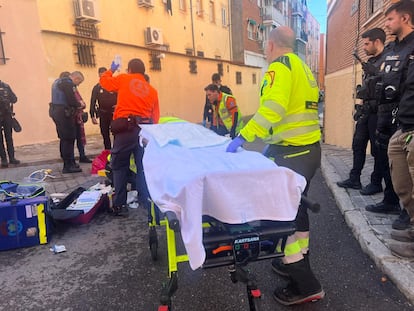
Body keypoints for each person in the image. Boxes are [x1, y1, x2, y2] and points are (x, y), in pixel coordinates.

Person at [226, 26, 323, 305]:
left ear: (270, 46)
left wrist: (243, 137)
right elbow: (294, 110)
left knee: (281, 217)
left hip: (291, 155)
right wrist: (272, 142)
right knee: (298, 209)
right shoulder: (302, 67)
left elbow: (273, 108)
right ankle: (296, 261)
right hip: (306, 150)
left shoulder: (278, 68)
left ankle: (305, 284)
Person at [100, 58, 159, 216]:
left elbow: (104, 82)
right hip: (144, 132)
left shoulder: (125, 79)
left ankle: (120, 205)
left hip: (125, 130)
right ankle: (144, 198)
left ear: (130, 69)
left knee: (119, 167)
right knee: (142, 166)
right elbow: (156, 117)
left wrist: (111, 69)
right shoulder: (152, 90)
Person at [337, 28, 386, 196]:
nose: (364, 47)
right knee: (358, 145)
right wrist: (359, 107)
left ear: (377, 42)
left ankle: (375, 183)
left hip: (379, 113)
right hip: (366, 112)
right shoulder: (371, 62)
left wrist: (379, 75)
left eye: (366, 43)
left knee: (377, 150)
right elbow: (363, 89)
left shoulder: (389, 60)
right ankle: (354, 178)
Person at [382, 0, 414, 257]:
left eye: (390, 19)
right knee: (403, 184)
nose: (386, 24)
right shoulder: (396, 49)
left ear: (405, 18)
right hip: (402, 124)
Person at [50, 71, 84, 174]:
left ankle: (70, 162)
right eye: (78, 82)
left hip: (56, 111)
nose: (77, 85)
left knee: (64, 139)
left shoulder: (57, 82)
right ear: (76, 78)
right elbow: (71, 99)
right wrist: (79, 104)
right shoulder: (67, 83)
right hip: (64, 113)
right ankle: (68, 165)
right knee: (69, 139)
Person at [90, 67, 118, 150]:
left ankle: (116, 151)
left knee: (116, 132)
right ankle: (107, 151)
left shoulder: (114, 85)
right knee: (105, 134)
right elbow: (93, 101)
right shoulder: (97, 87)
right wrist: (92, 115)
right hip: (103, 113)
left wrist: (119, 105)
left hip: (114, 113)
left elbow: (122, 97)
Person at [0, 80, 19, 167]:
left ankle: (8, 159)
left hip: (7, 115)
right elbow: (14, 99)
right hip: (5, 115)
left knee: (7, 138)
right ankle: (7, 159)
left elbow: (14, 99)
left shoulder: (6, 86)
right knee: (6, 138)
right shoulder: (6, 86)